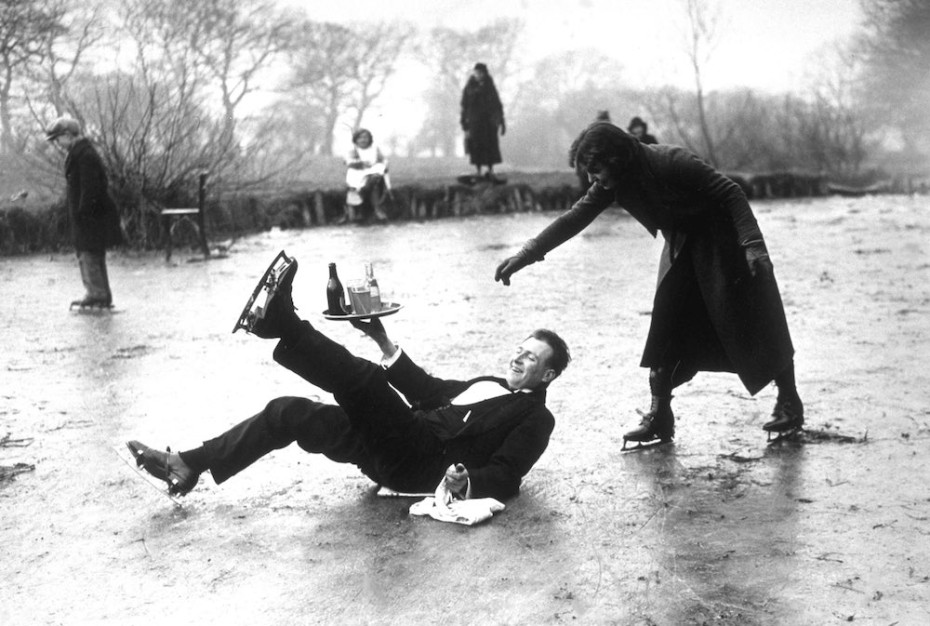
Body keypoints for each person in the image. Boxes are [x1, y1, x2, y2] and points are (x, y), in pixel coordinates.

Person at [127, 257, 571, 501]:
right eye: (519, 349)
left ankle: (283, 323)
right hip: (387, 445)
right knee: (288, 411)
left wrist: (465, 481)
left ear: (547, 374)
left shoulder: (536, 417)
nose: (517, 358)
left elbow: (508, 474)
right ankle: (186, 465)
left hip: (421, 460)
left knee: (366, 383)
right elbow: (430, 391)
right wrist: (381, 337)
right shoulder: (491, 382)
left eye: (530, 358)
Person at [494, 121, 803, 447]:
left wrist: (752, 244)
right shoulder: (615, 181)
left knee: (756, 326)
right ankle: (660, 416)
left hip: (726, 245)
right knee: (666, 331)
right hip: (681, 247)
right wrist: (527, 254)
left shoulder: (671, 161)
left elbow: (731, 192)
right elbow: (574, 218)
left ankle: (789, 402)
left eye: (595, 170)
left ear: (616, 160)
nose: (591, 179)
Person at [45, 116, 122, 309]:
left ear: (67, 135)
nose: (57, 143)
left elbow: (91, 188)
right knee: (90, 253)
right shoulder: (81, 152)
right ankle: (99, 293)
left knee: (89, 254)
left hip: (90, 215)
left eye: (57, 139)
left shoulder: (84, 155)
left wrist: (83, 213)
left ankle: (96, 294)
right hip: (88, 214)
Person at [460, 62, 506, 181]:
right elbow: (464, 106)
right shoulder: (469, 87)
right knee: (476, 146)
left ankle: (490, 170)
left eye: (481, 73)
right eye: (476, 72)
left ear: (485, 73)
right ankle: (478, 171)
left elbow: (497, 104)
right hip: (475, 122)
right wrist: (464, 124)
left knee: (490, 146)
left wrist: (501, 121)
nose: (478, 75)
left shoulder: (490, 87)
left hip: (489, 122)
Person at [342, 128, 389, 225]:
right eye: (360, 138)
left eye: (365, 137)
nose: (363, 140)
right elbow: (348, 162)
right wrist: (360, 163)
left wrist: (380, 165)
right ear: (356, 139)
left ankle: (376, 209)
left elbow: (383, 160)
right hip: (357, 173)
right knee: (361, 183)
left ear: (370, 139)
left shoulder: (375, 149)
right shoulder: (353, 150)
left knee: (374, 179)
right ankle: (361, 208)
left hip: (372, 171)